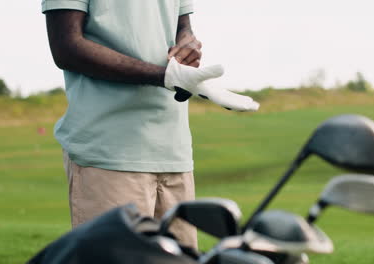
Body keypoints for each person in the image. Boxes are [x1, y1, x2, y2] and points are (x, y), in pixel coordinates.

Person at [42, 0, 259, 249]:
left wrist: (188, 44)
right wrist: (163, 76)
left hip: (173, 152)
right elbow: (67, 47)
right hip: (109, 151)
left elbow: (183, 26)